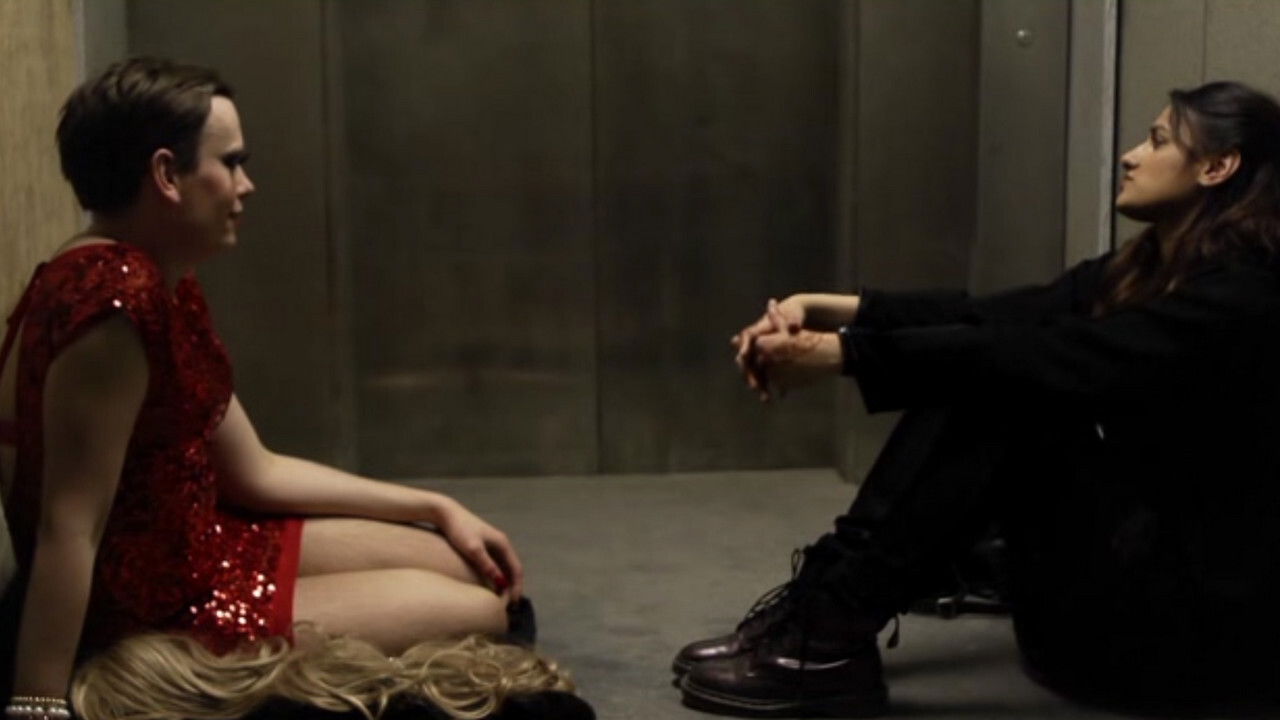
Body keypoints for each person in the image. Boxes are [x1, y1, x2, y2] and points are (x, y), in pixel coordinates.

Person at [0, 57, 589, 720]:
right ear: (166, 174)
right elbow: (68, 528)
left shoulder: (159, 279)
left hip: (200, 547)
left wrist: (435, 505)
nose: (246, 185)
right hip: (155, 613)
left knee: (473, 567)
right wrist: (37, 702)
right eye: (231, 163)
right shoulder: (114, 304)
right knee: (483, 611)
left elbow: (257, 471)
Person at [675, 80, 1280, 717]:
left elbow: (1053, 355)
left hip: (1193, 643)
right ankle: (825, 615)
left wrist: (841, 356)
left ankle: (827, 630)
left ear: (1217, 167)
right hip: (1131, 594)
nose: (1132, 156)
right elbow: (996, 316)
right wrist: (825, 311)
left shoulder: (1245, 297)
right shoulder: (1148, 267)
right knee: (987, 358)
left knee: (1003, 378)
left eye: (1157, 142)